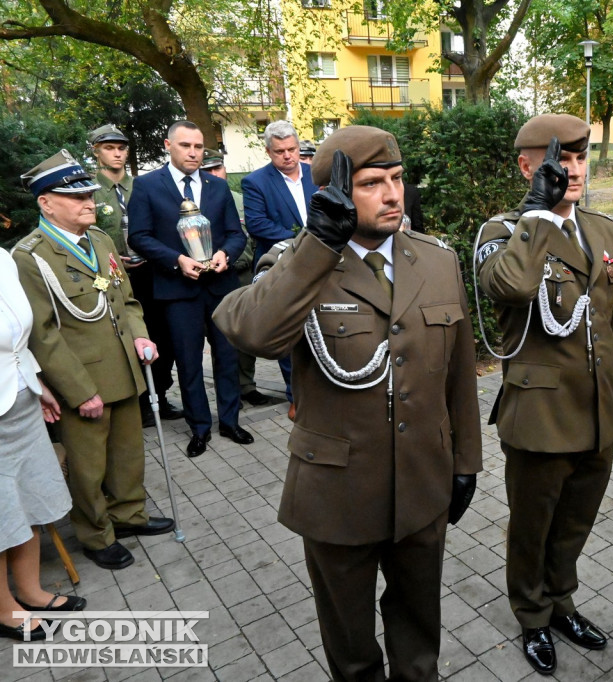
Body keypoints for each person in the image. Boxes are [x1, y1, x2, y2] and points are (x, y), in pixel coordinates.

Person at [214, 125, 481, 682]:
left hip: (421, 484)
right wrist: (318, 246)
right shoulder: (298, 261)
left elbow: (459, 374)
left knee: (418, 631)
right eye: (370, 183)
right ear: (333, 194)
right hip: (337, 491)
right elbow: (251, 332)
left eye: (397, 179)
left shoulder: (435, 259)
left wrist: (465, 462)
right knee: (351, 645)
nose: (391, 195)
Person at [476, 114, 613, 676]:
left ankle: (562, 599)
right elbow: (512, 287)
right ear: (527, 166)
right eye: (558, 159)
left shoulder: (605, 230)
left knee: (576, 520)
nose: (571, 170)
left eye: (578, 158)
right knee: (533, 523)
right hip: (540, 412)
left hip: (598, 410)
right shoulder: (503, 232)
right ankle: (532, 613)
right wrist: (537, 214)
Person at [14, 150, 173, 570]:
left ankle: (128, 516)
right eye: (74, 196)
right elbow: (42, 334)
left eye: (87, 193)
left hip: (123, 368)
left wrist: (141, 338)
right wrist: (80, 391)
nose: (88, 201)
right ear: (45, 203)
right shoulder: (30, 258)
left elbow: (128, 300)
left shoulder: (100, 241)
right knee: (87, 468)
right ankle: (97, 535)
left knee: (128, 454)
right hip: (83, 382)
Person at [128, 121, 252, 458]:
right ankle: (199, 428)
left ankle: (230, 421)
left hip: (220, 288)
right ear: (168, 145)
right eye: (186, 146)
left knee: (228, 358)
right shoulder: (147, 185)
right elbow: (138, 236)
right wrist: (176, 260)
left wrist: (227, 253)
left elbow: (236, 233)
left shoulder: (217, 186)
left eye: (198, 147)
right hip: (177, 289)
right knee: (188, 362)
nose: (194, 153)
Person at [1, 246, 85, 641]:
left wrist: (37, 382)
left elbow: (19, 337)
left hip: (20, 400)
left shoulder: (1, 258)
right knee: (1, 512)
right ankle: (4, 610)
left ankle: (30, 591)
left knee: (30, 497)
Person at [88, 123, 184, 429]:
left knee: (161, 337)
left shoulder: (143, 185)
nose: (117, 154)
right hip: (109, 278)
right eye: (109, 148)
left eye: (121, 148)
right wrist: (115, 262)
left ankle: (160, 395)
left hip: (150, 273)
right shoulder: (89, 189)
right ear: (96, 152)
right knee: (122, 340)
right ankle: (134, 402)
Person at [201, 149, 268, 407]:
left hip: (246, 274)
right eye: (207, 171)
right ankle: (227, 391)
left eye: (217, 168)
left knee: (247, 333)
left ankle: (247, 384)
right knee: (222, 338)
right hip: (217, 276)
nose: (214, 175)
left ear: (224, 170)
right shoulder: (198, 202)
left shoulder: (240, 199)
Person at [242, 121, 317, 264]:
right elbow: (257, 224)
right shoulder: (255, 182)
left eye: (292, 149)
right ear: (268, 151)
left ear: (298, 147)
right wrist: (301, 239)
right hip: (279, 262)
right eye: (280, 151)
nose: (287, 156)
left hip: (319, 256)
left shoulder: (316, 174)